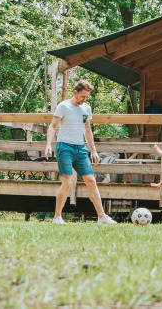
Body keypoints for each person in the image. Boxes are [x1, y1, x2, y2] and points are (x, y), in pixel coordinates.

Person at [44, 80, 117, 225]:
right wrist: (48, 145)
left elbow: (87, 130)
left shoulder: (86, 109)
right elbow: (52, 126)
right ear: (75, 93)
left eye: (86, 97)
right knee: (67, 182)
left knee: (91, 180)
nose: (84, 100)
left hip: (80, 149)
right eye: (82, 96)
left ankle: (102, 217)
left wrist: (94, 151)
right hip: (64, 147)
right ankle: (57, 217)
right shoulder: (63, 106)